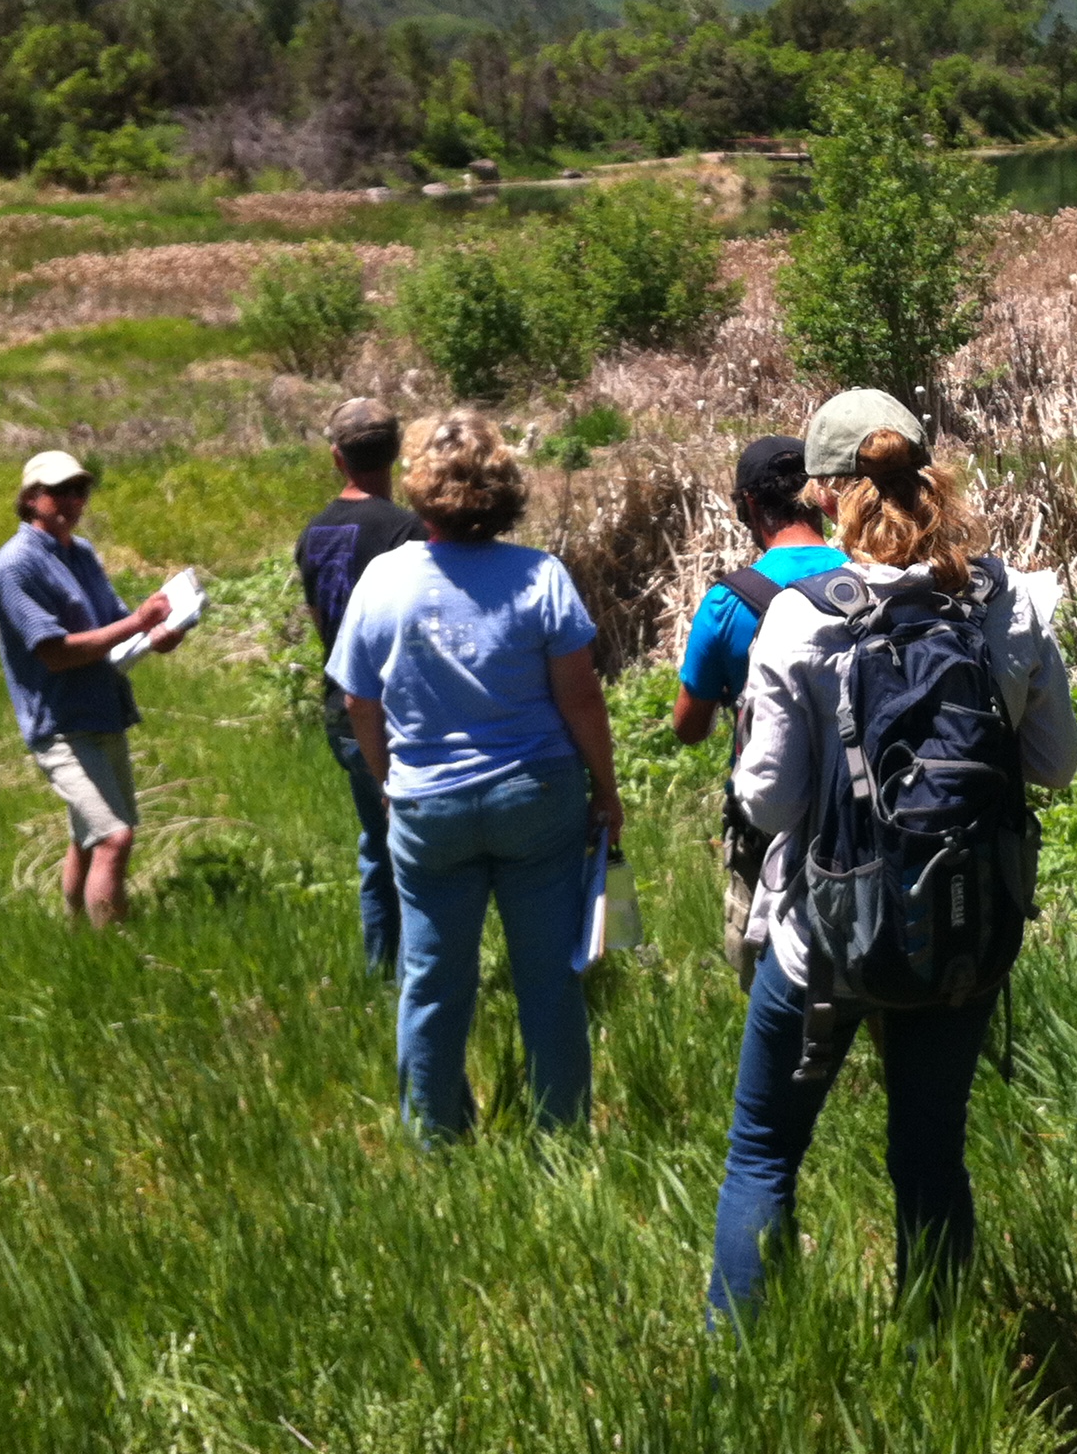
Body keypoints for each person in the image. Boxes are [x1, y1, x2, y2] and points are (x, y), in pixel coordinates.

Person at [711, 389, 1077, 1317]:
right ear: (930, 476)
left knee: (763, 1151)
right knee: (928, 1153)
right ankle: (938, 1353)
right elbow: (1055, 765)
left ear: (828, 492)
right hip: (963, 929)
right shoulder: (1008, 601)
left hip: (824, 943)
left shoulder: (801, 617)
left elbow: (770, 799)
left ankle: (743, 1367)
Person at [326, 411, 624, 1138]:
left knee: (432, 985)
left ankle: (437, 1139)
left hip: (429, 805)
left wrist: (388, 780)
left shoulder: (383, 581)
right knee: (549, 981)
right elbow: (580, 697)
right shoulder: (539, 576)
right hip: (537, 795)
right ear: (504, 489)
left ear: (421, 488)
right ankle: (559, 1137)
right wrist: (607, 792)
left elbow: (358, 700)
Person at [668, 435, 844, 991]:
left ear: (748, 503)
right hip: (861, 810)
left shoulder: (727, 602)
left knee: (767, 975)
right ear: (817, 495)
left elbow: (689, 728)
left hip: (768, 816)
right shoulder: (867, 574)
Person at [0, 450, 186, 928]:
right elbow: (55, 653)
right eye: (60, 491)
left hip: (103, 709)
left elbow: (115, 624)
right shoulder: (14, 569)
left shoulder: (82, 552)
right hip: (60, 724)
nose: (74, 500)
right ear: (31, 498)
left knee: (89, 837)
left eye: (81, 490)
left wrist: (156, 634)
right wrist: (138, 622)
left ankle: (73, 934)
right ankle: (114, 953)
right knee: (115, 839)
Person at [295, 398, 426, 975]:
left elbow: (325, 627)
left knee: (376, 843)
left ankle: (381, 971)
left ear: (335, 458)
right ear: (395, 453)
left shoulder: (312, 534)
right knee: (416, 851)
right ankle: (417, 975)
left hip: (342, 704)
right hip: (401, 708)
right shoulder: (407, 530)